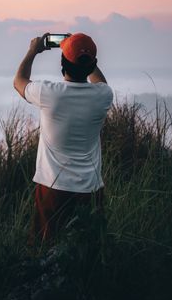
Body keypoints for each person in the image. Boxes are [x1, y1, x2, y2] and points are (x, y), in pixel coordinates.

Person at [13, 32, 113, 244]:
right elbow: (100, 82)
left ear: (62, 63)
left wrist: (33, 51)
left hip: (53, 188)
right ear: (92, 64)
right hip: (90, 189)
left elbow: (19, 81)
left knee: (46, 251)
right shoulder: (103, 95)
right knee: (87, 254)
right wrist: (83, 56)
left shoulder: (49, 93)